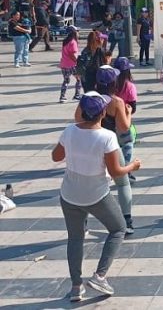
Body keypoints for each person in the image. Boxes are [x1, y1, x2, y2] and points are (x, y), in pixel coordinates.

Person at [52, 92, 142, 302]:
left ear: (81, 111)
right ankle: (100, 275)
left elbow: (56, 157)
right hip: (96, 194)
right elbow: (117, 171)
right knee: (118, 228)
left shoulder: (69, 130)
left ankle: (76, 287)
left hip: (70, 194)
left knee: (75, 238)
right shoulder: (106, 136)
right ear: (103, 113)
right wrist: (133, 166)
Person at [94, 65, 136, 233]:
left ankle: (84, 223)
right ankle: (127, 221)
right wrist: (129, 112)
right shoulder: (117, 102)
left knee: (93, 182)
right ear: (114, 82)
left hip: (92, 144)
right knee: (123, 183)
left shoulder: (90, 98)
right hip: (111, 145)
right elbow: (125, 127)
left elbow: (78, 120)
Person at [59, 26, 82, 103]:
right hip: (72, 64)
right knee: (79, 79)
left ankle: (62, 97)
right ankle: (77, 95)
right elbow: (72, 54)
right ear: (74, 33)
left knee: (66, 80)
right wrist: (77, 62)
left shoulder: (65, 41)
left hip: (64, 64)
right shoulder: (73, 42)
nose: (78, 33)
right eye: (77, 31)